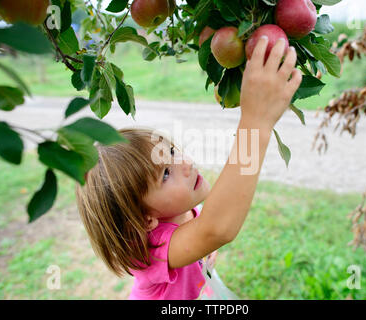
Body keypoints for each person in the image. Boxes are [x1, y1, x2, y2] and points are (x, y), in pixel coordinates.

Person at [75, 35, 302, 300]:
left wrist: (205, 247)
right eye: (166, 174)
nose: (184, 162)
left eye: (170, 152)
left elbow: (210, 224)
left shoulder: (183, 212)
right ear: (146, 220)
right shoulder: (153, 251)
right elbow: (216, 228)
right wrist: (256, 122)